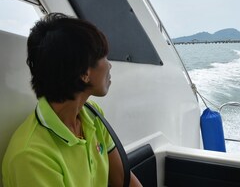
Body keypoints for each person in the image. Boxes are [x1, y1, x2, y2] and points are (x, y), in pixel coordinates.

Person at [2, 13, 142, 187]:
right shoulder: (31, 157)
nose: (109, 65)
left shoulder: (92, 115)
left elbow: (124, 180)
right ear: (84, 73)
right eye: (104, 57)